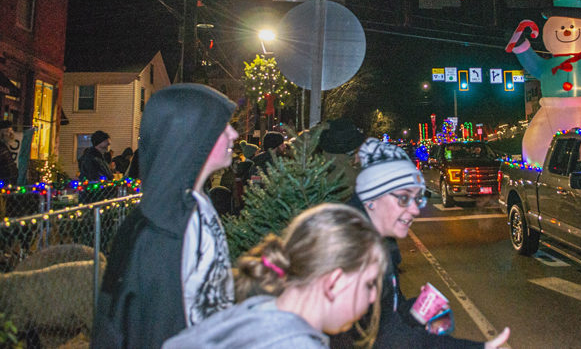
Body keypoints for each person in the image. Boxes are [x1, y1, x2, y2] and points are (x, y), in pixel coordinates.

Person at [93, 84, 240, 348]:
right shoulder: (163, 229)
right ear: (194, 135)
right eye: (222, 126)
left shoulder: (196, 205)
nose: (234, 134)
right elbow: (157, 330)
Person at [331, 138, 511, 348]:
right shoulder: (356, 252)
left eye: (417, 199)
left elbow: (386, 315)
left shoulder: (376, 242)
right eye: (404, 199)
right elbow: (384, 338)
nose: (415, 210)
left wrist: (415, 309)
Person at [163, 203, 387, 348]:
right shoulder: (294, 344)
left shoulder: (254, 313)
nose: (372, 297)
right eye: (368, 284)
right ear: (334, 282)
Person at [0, 120, 18, 185]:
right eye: (7, 131)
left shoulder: (4, 147)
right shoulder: (2, 148)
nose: (10, 134)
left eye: (11, 131)